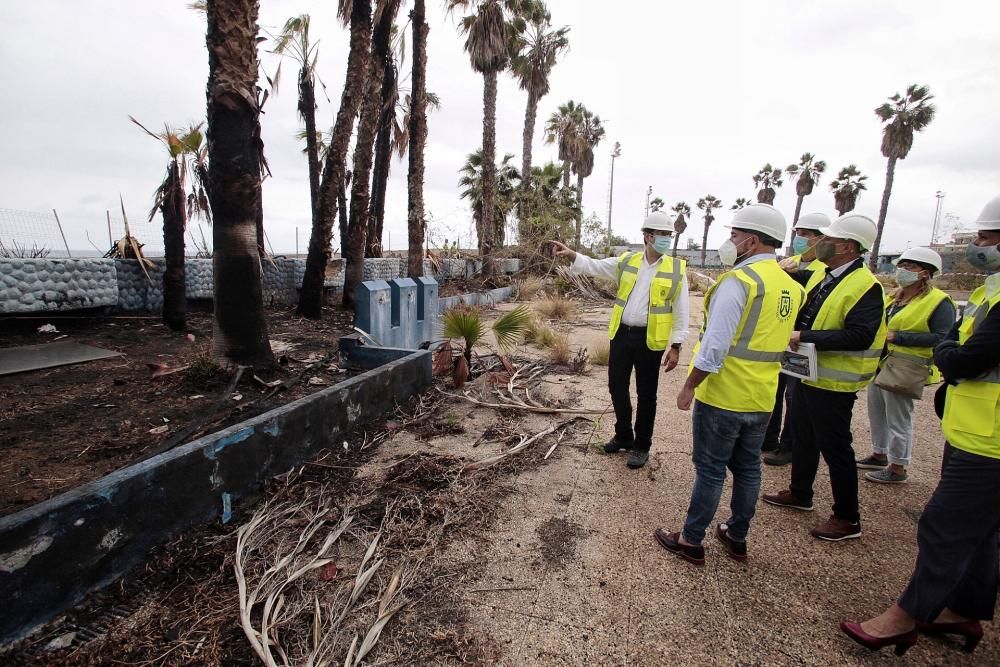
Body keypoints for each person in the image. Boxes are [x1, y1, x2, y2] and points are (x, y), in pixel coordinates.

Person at [840, 194, 1000, 656]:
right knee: (982, 530)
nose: (980, 246)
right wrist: (951, 352)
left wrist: (947, 355)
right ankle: (963, 612)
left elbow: (961, 352)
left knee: (943, 525)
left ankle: (906, 616)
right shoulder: (990, 291)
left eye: (988, 238)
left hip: (990, 439)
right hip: (973, 426)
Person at [653, 204, 804, 565]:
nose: (730, 241)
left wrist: (689, 385)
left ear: (751, 241)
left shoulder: (740, 282)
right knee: (749, 468)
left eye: (734, 235)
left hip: (724, 396)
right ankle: (737, 536)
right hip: (762, 397)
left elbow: (715, 346)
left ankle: (691, 540)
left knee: (710, 469)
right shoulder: (791, 286)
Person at [763, 214, 886, 541]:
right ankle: (800, 493)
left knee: (836, 449)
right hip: (807, 373)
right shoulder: (828, 276)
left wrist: (805, 336)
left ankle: (848, 518)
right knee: (803, 436)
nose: (820, 242)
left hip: (834, 382)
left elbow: (860, 335)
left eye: (827, 238)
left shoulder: (866, 286)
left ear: (846, 246)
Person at [549, 211, 689, 468]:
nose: (667, 240)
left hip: (651, 340)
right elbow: (598, 266)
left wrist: (677, 345)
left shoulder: (676, 269)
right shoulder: (628, 261)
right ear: (648, 236)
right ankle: (624, 435)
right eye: (663, 235)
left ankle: (642, 445)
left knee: (647, 395)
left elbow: (682, 311)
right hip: (622, 335)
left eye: (669, 235)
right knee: (616, 387)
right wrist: (572, 255)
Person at [857, 247, 955, 484]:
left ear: (925, 273)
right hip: (882, 363)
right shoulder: (895, 297)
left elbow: (943, 337)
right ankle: (879, 453)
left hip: (906, 367)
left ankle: (898, 466)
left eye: (910, 267)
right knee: (877, 411)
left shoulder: (939, 302)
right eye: (902, 265)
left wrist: (898, 337)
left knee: (899, 418)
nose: (903, 270)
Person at [763, 212, 832, 465]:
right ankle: (768, 437)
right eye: (798, 233)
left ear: (820, 239)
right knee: (774, 388)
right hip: (779, 335)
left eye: (805, 234)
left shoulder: (824, 269)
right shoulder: (789, 262)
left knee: (793, 395)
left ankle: (788, 445)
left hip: (798, 342)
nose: (799, 238)